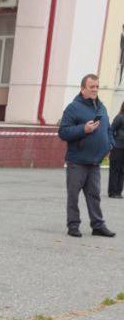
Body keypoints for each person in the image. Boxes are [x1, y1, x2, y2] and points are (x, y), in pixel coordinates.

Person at [58, 73, 115, 238]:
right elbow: (63, 132)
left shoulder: (101, 107)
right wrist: (84, 129)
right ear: (83, 89)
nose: (95, 89)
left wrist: (109, 143)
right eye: (91, 87)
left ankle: (98, 225)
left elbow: (108, 128)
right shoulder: (73, 108)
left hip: (95, 162)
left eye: (97, 86)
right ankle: (73, 226)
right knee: (73, 195)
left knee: (94, 196)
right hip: (78, 161)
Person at [108, 101, 124, 198]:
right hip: (117, 148)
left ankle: (118, 191)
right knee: (115, 169)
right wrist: (113, 142)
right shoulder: (120, 117)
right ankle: (113, 192)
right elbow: (111, 129)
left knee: (122, 170)